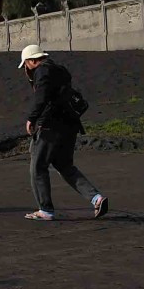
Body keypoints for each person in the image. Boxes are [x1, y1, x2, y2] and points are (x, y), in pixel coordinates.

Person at [18, 44, 107, 221]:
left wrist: (32, 118)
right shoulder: (60, 70)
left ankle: (45, 210)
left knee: (38, 166)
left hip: (51, 126)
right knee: (65, 166)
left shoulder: (42, 71)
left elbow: (41, 97)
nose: (26, 69)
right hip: (70, 125)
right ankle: (97, 198)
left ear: (32, 60)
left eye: (26, 64)